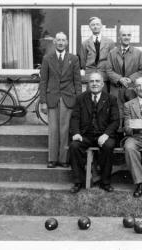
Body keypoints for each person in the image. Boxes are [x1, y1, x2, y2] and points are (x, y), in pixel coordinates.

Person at [68, 72, 119, 193]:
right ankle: (78, 181)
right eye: (91, 81)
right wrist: (76, 133)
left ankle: (105, 182)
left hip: (104, 134)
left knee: (108, 146)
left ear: (102, 84)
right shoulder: (81, 98)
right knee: (74, 146)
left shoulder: (111, 99)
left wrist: (106, 135)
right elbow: (75, 118)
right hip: (86, 135)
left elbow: (115, 120)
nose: (94, 84)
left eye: (97, 81)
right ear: (88, 84)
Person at [39, 32, 82, 169]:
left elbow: (78, 82)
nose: (61, 42)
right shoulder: (47, 58)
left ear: (67, 42)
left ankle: (64, 159)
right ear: (54, 42)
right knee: (53, 129)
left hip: (68, 98)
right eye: (58, 40)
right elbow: (43, 81)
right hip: (52, 98)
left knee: (65, 129)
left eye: (63, 40)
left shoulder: (73, 59)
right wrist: (43, 101)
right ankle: (52, 159)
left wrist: (79, 100)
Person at [106, 27, 142, 129]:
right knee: (116, 112)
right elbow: (108, 70)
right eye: (124, 35)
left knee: (133, 112)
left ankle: (133, 136)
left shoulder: (138, 53)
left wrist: (130, 79)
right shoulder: (112, 53)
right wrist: (120, 79)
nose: (126, 37)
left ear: (131, 37)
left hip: (132, 88)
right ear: (119, 37)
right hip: (116, 88)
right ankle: (117, 136)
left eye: (128, 35)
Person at [79, 17, 115, 92]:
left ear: (101, 26)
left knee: (104, 99)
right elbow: (83, 62)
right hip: (90, 77)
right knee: (90, 99)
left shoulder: (110, 42)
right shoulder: (85, 44)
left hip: (104, 77)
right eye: (93, 25)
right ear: (90, 27)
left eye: (97, 24)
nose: (95, 26)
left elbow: (112, 61)